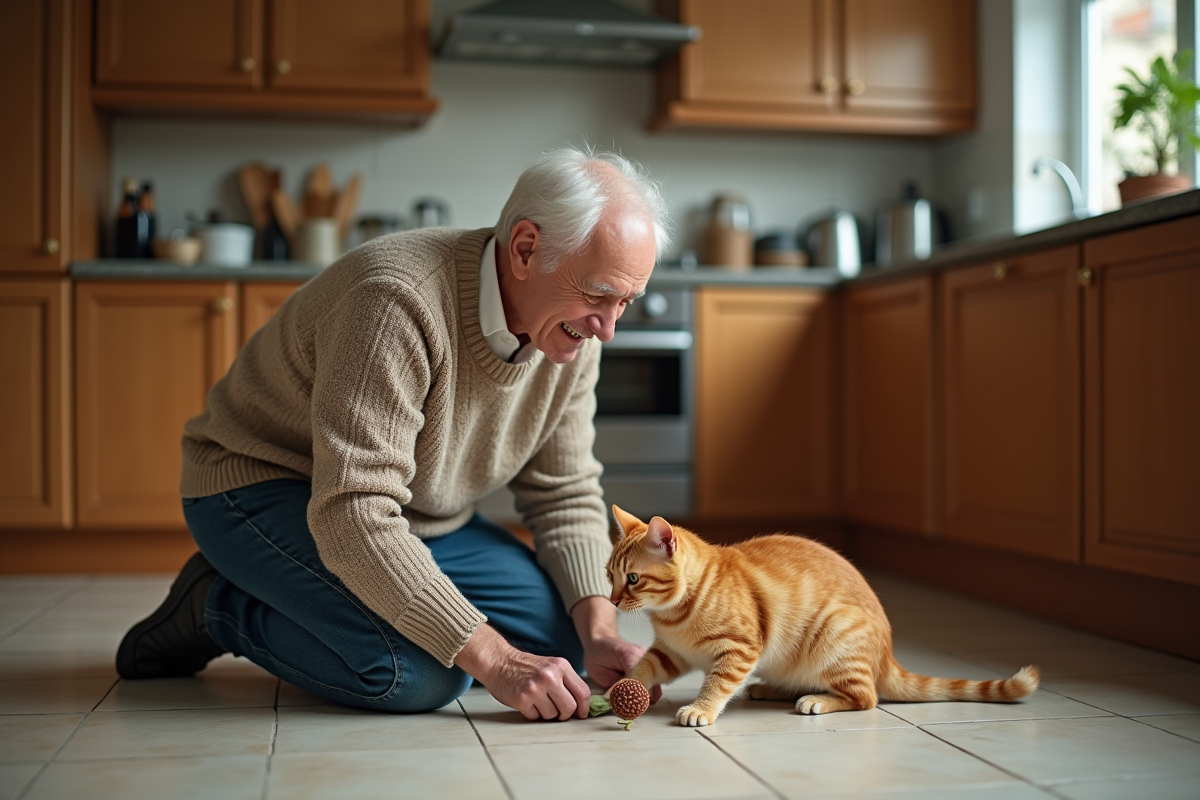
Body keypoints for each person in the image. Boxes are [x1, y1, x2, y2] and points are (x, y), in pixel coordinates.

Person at [116, 145, 672, 721]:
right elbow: (353, 509)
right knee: (419, 676)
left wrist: (601, 631)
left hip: (412, 515)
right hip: (264, 485)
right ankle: (218, 603)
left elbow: (565, 490)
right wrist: (498, 662)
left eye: (625, 302)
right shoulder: (394, 299)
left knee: (563, 642)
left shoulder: (572, 334)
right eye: (599, 295)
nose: (608, 329)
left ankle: (336, 590)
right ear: (527, 249)